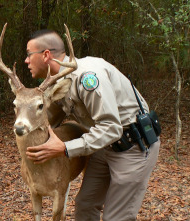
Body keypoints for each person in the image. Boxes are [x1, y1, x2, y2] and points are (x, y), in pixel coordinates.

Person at [24, 29, 160, 220]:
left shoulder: (87, 77)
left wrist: (65, 148)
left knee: (116, 217)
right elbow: (46, 120)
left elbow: (112, 127)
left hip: (133, 146)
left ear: (46, 55)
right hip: (104, 145)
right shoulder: (59, 83)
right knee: (85, 205)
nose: (26, 61)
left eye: (29, 55)